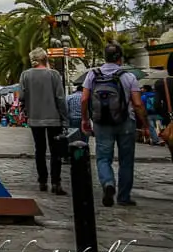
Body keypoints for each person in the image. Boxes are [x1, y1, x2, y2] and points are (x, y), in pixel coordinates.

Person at [81, 42, 150, 207]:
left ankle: (108, 183)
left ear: (105, 57)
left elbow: (84, 99)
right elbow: (138, 104)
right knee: (126, 160)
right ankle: (124, 196)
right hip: (126, 122)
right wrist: (145, 124)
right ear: (120, 58)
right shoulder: (129, 77)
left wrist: (85, 119)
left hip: (101, 123)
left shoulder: (92, 75)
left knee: (103, 158)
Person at [19, 48, 67, 194]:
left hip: (35, 118)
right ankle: (56, 182)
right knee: (55, 151)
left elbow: (21, 96)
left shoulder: (25, 75)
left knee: (39, 150)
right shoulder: (54, 74)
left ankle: (42, 181)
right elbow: (60, 98)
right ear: (45, 58)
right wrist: (65, 119)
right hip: (54, 119)